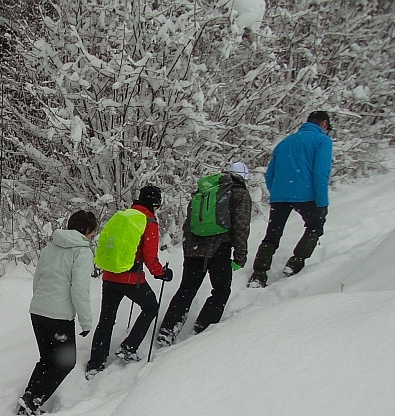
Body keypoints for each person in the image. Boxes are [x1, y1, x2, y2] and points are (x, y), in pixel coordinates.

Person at [157, 161, 253, 345]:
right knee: (221, 290)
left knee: (186, 289)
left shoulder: (206, 191)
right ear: (244, 178)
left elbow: (189, 224)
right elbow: (241, 226)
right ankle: (202, 331)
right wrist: (240, 256)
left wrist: (188, 250)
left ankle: (167, 330)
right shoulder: (240, 194)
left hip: (194, 248)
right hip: (219, 248)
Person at [85, 185, 173, 377]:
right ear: (155, 203)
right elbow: (150, 257)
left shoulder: (123, 216)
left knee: (107, 319)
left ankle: (95, 363)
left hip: (109, 276)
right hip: (131, 278)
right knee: (151, 307)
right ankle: (129, 347)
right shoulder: (148, 221)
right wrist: (161, 273)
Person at [18, 210, 97, 415]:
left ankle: (28, 398)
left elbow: (38, 279)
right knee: (65, 362)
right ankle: (33, 401)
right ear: (87, 230)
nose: (92, 236)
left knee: (47, 359)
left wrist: (41, 304)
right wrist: (86, 321)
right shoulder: (82, 251)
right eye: (92, 232)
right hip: (59, 317)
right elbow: (79, 288)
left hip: (38, 311)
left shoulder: (50, 247)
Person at [248, 111, 333, 287]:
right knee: (315, 226)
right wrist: (322, 201)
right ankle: (295, 263)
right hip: (307, 194)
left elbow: (270, 173)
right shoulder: (322, 141)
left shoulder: (284, 143)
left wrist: (277, 192)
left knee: (272, 233)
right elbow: (320, 173)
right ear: (324, 123)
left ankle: (259, 273)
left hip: (280, 195)